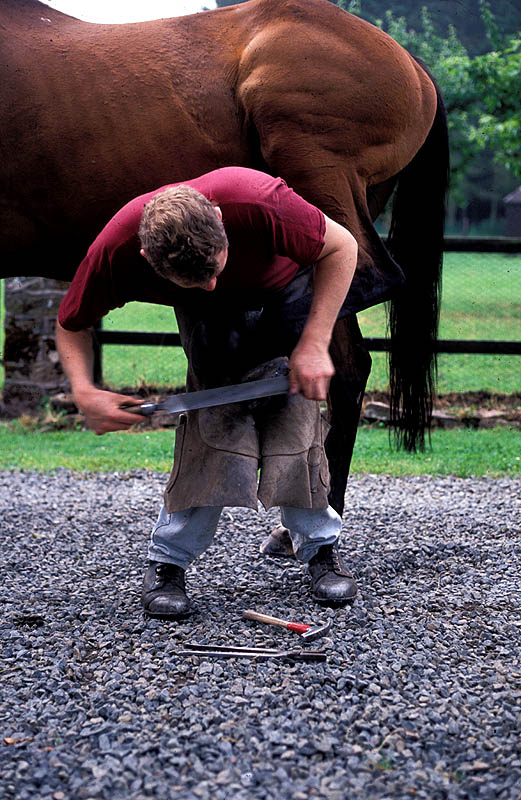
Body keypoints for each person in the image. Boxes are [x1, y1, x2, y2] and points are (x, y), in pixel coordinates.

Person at [56, 167, 360, 619]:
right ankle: (167, 564)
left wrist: (315, 343)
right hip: (209, 326)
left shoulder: (259, 201)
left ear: (219, 217)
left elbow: (343, 246)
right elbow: (71, 322)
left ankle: (319, 550)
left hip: (286, 300)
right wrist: (83, 390)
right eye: (197, 280)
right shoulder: (116, 248)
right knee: (213, 437)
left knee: (298, 433)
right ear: (145, 256)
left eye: (216, 268)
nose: (214, 284)